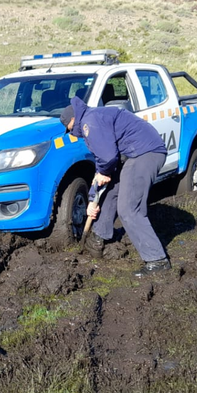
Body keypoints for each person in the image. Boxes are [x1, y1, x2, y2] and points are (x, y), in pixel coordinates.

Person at [61, 96, 170, 276]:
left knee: (128, 208)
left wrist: (103, 172)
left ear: (73, 119)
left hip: (144, 153)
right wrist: (92, 199)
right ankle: (97, 239)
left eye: (70, 128)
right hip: (135, 154)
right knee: (110, 192)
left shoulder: (89, 122)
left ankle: (157, 260)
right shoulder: (92, 118)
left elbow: (107, 158)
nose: (72, 133)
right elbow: (103, 164)